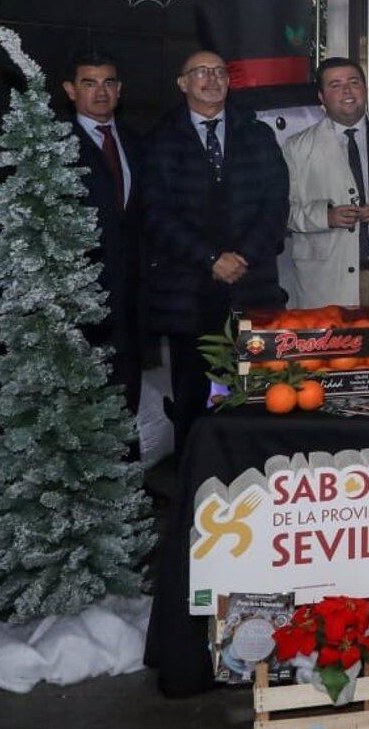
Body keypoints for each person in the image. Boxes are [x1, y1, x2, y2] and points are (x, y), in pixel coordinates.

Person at [141, 50, 288, 444]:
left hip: (251, 282)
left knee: (261, 392)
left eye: (220, 72)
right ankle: (195, 481)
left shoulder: (256, 134)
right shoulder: (160, 138)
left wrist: (244, 257)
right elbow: (156, 215)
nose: (211, 79)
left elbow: (275, 206)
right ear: (182, 83)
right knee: (191, 395)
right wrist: (210, 259)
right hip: (188, 289)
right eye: (200, 72)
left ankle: (257, 472)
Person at [281, 58, 369, 312]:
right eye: (335, 85)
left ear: (365, 90)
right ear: (321, 97)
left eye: (353, 83)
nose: (346, 91)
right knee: (336, 350)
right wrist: (326, 216)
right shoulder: (297, 148)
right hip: (326, 276)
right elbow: (282, 211)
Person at [61, 49, 144, 417]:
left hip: (131, 296)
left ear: (119, 89)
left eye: (108, 82)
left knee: (127, 389)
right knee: (83, 399)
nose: (100, 92)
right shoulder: (54, 148)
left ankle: (127, 471)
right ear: (70, 90)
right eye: (89, 83)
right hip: (79, 299)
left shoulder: (136, 142)